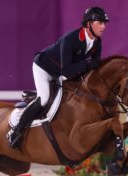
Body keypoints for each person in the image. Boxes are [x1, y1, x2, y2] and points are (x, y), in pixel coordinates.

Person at [7, 6, 109, 149]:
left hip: (61, 72)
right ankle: (16, 131)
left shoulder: (96, 41)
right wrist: (86, 64)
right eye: (100, 22)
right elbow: (67, 71)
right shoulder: (70, 39)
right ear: (88, 24)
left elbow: (96, 63)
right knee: (44, 99)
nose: (103, 26)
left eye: (104, 23)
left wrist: (88, 66)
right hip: (44, 67)